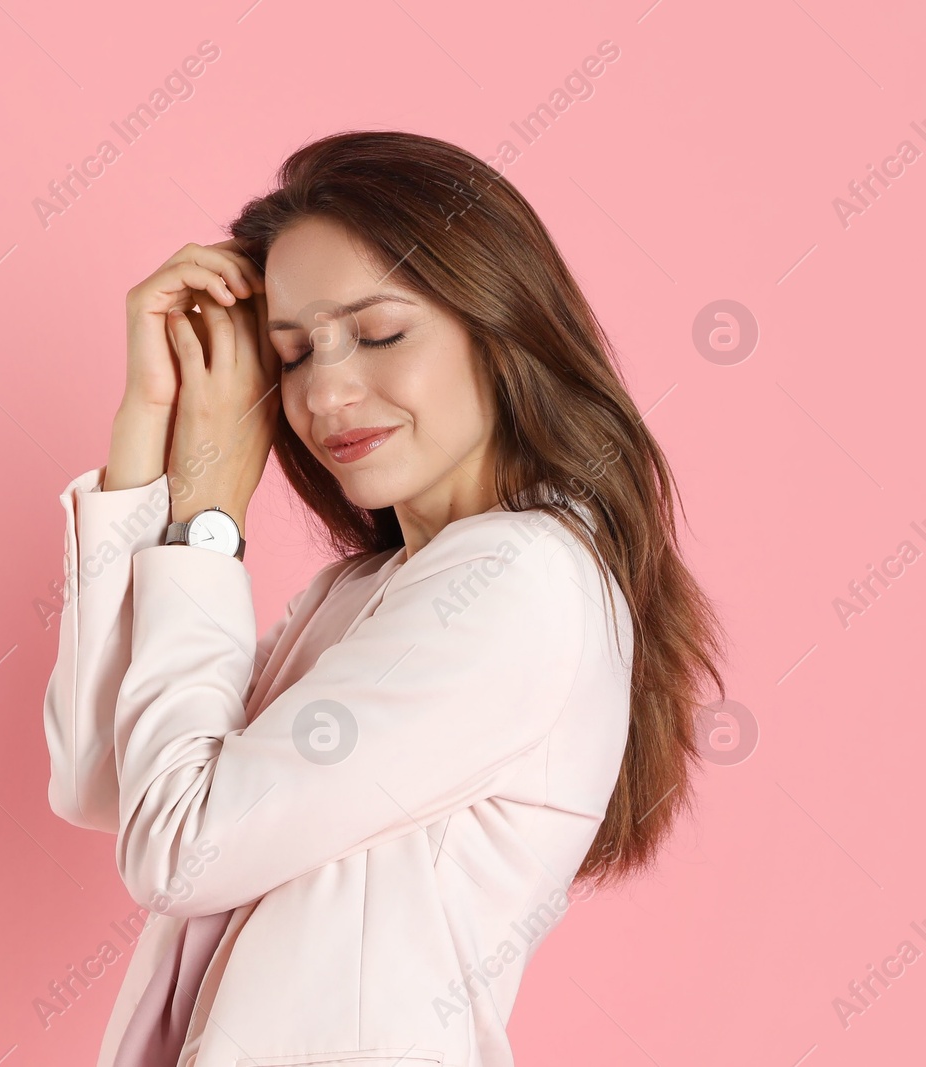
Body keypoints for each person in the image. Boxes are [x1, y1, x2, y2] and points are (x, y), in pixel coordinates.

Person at [42, 129, 726, 1067]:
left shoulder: (519, 582)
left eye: (378, 333)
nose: (327, 391)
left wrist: (208, 520)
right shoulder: (369, 589)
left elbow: (177, 849)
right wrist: (144, 436)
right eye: (291, 352)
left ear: (499, 324)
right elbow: (108, 778)